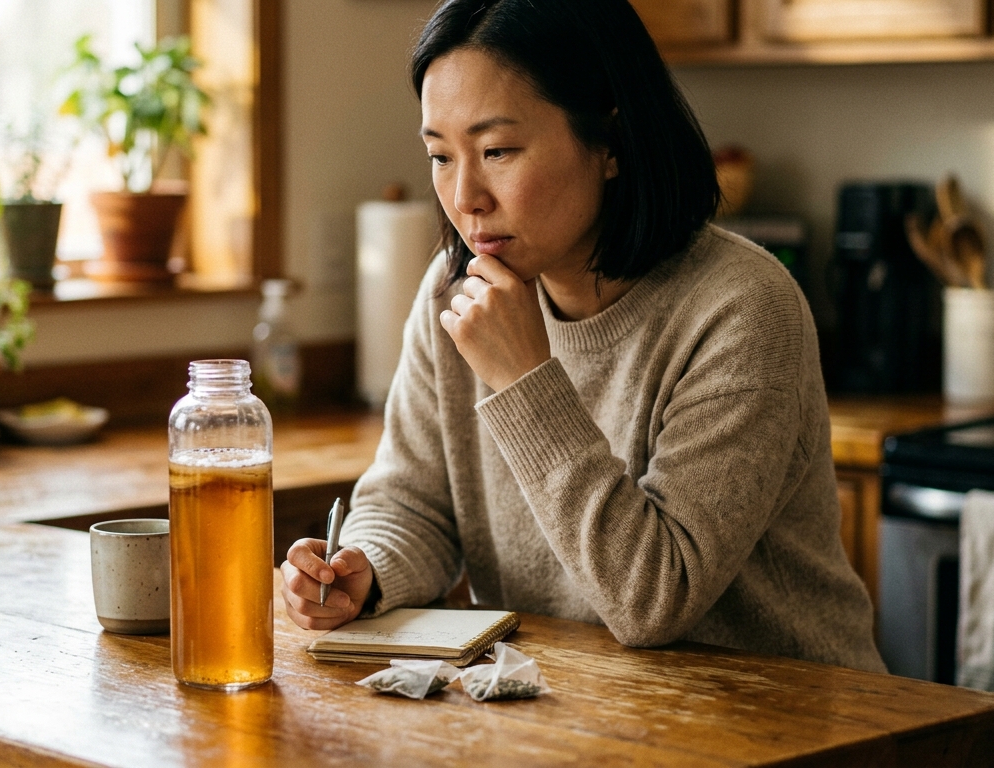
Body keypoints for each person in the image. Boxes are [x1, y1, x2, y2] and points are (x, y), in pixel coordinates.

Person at [282, 0, 884, 673]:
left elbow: (656, 599)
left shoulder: (742, 307)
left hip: (796, 721)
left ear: (610, 145)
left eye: (497, 150)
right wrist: (366, 571)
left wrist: (524, 380)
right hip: (574, 710)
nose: (466, 196)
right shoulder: (455, 292)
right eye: (440, 155)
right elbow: (412, 502)